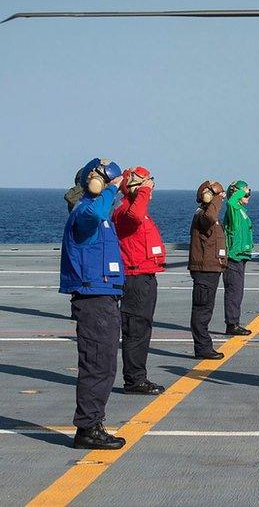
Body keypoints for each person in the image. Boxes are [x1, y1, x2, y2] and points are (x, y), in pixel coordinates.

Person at [59, 158, 126, 449]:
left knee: (105, 365)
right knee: (97, 365)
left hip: (104, 296)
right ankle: (87, 428)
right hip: (93, 299)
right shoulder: (85, 211)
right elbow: (97, 208)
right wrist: (109, 189)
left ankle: (93, 423)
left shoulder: (98, 215)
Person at [111, 167, 166, 395]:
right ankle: (134, 380)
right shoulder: (125, 211)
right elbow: (134, 216)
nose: (150, 188)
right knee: (135, 330)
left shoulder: (136, 210)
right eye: (145, 184)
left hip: (144, 276)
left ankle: (137, 377)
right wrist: (142, 191)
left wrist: (141, 190)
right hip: (134, 279)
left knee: (142, 329)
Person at [188, 180, 228, 360]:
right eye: (219, 195)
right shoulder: (204, 215)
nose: (221, 198)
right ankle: (203, 347)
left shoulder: (206, 214)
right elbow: (211, 217)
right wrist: (216, 198)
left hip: (210, 269)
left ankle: (203, 346)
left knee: (206, 309)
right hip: (204, 270)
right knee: (202, 310)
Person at [222, 180, 254, 337]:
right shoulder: (234, 208)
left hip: (241, 256)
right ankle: (232, 324)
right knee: (234, 291)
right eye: (246, 193)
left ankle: (234, 321)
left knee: (238, 292)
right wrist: (240, 191)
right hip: (233, 258)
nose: (248, 195)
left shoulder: (240, 210)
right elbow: (230, 202)